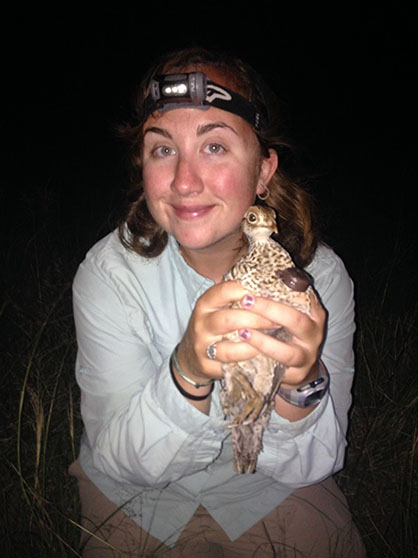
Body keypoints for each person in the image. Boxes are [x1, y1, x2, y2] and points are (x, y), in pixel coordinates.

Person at [70, 46, 366, 557]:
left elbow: (320, 462)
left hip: (271, 492)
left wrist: (299, 386)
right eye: (163, 149)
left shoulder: (318, 280)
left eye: (214, 147)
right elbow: (118, 461)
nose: (184, 181)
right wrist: (186, 371)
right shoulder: (108, 275)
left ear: (264, 171)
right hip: (139, 499)